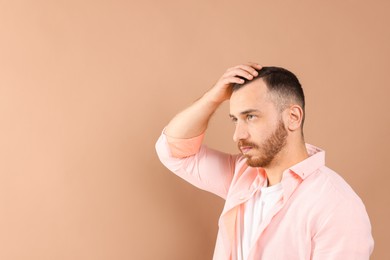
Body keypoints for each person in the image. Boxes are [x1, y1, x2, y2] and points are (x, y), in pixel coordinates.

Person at [155, 63, 374, 259]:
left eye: (250, 117)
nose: (237, 135)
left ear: (293, 117)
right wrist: (214, 97)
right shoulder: (241, 175)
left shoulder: (336, 205)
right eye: (235, 119)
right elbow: (173, 150)